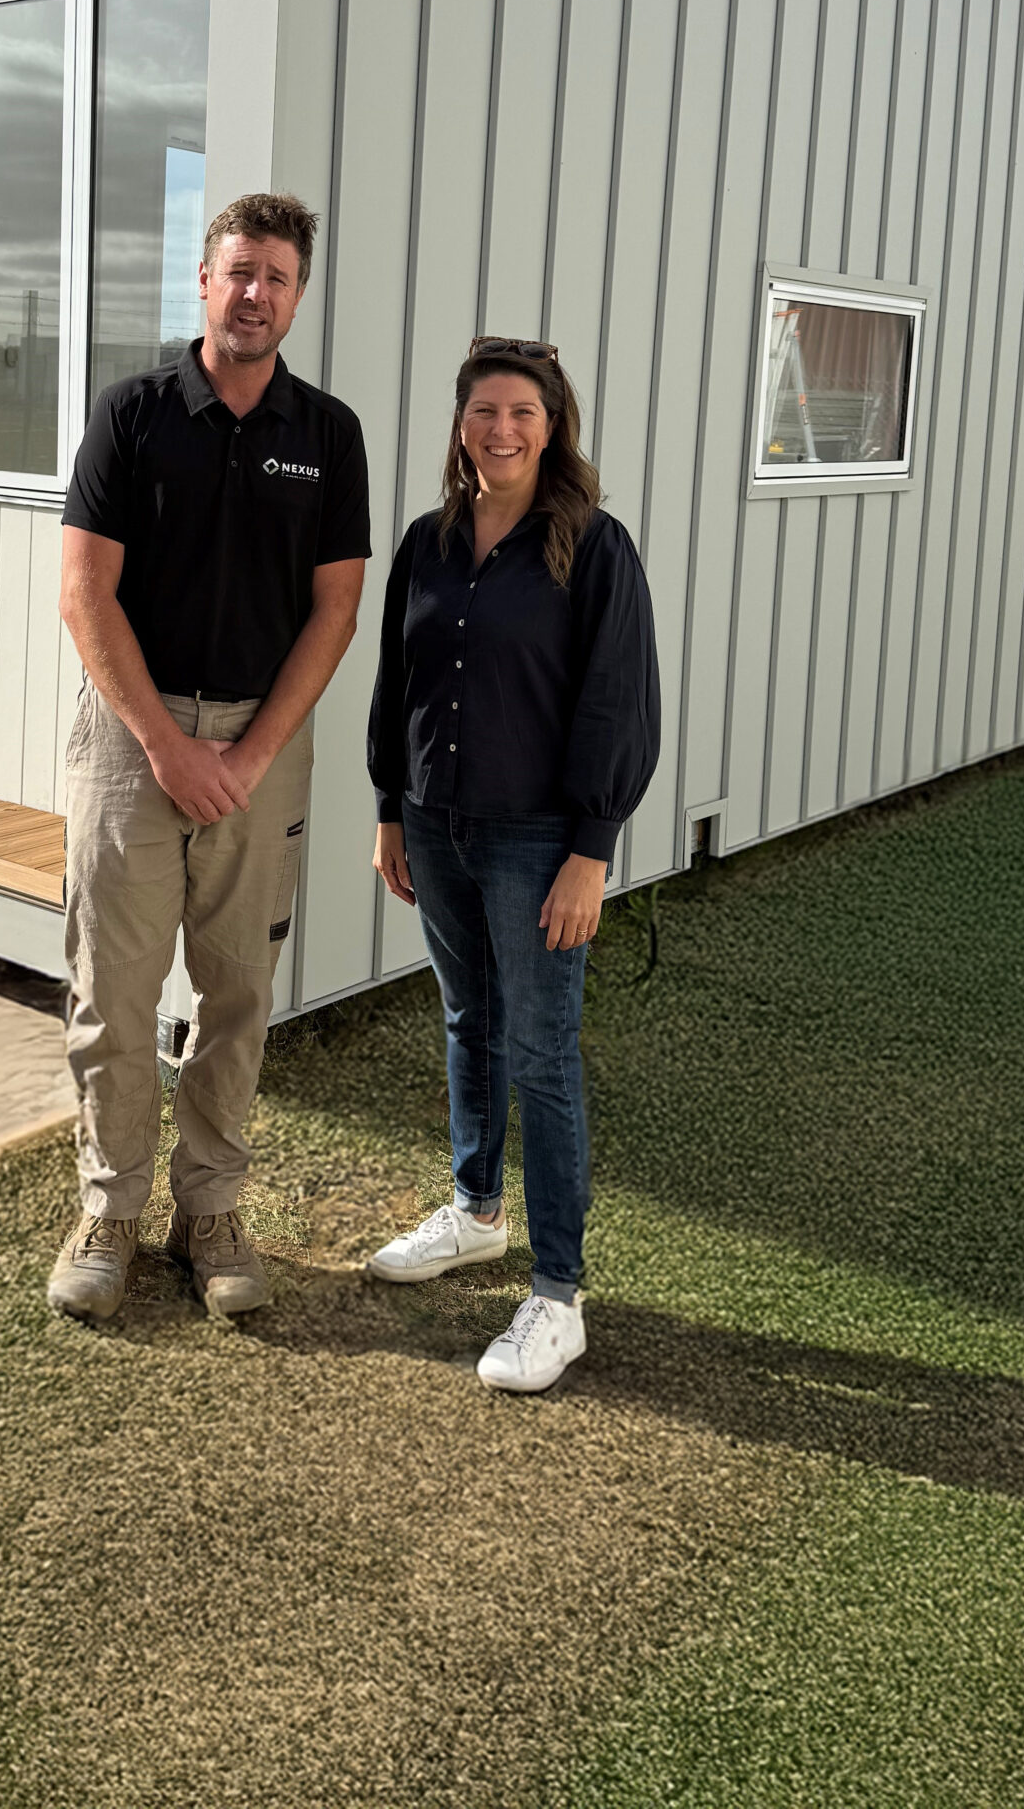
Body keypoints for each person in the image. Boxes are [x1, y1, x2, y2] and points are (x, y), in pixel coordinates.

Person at [51, 193, 369, 1320]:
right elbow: (84, 593)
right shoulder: (133, 413)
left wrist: (247, 751)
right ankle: (110, 1211)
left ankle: (211, 1212)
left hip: (263, 746)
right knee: (114, 990)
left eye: (278, 278)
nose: (256, 294)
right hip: (131, 739)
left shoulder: (327, 434)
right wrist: (167, 744)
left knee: (237, 989)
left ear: (297, 295)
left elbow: (335, 610)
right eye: (240, 271)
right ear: (202, 277)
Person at [365, 338, 659, 1391]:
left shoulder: (593, 547)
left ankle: (558, 1295)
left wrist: (591, 848)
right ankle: (476, 1211)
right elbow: (398, 677)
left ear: (553, 425)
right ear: (460, 425)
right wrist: (392, 805)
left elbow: (617, 701)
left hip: (539, 839)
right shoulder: (427, 543)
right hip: (436, 825)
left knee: (540, 1052)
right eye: (484, 410)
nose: (502, 429)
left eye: (522, 412)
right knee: (466, 1022)